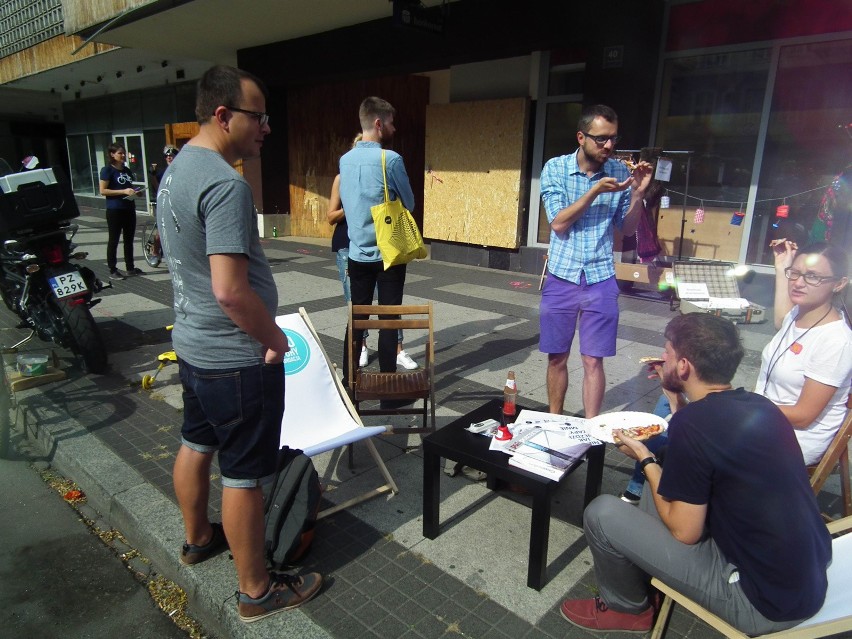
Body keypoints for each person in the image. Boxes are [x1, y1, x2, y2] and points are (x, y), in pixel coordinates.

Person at [156, 64, 322, 622]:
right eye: (259, 116)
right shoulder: (224, 183)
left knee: (196, 443)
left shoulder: (176, 169)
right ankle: (257, 591)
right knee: (245, 475)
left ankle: (199, 539)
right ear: (223, 115)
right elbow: (231, 291)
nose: (266, 128)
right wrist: (275, 339)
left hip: (195, 347)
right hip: (234, 357)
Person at [560, 313, 832, 635]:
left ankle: (627, 609)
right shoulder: (761, 407)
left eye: (669, 353)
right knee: (659, 481)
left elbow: (685, 532)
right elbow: (708, 437)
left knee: (601, 511)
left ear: (685, 366)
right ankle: (651, 578)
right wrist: (676, 400)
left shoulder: (694, 426)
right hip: (802, 574)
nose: (663, 358)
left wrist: (645, 458)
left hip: (761, 602)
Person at [539, 104, 653, 417]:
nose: (609, 146)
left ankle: (591, 429)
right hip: (562, 274)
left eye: (613, 139)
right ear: (581, 137)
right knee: (557, 357)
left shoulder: (618, 172)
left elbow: (627, 228)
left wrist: (638, 195)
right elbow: (559, 223)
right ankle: (555, 420)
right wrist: (593, 192)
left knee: (593, 360)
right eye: (601, 139)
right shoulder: (556, 169)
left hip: (601, 276)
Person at [338, 96, 417, 377]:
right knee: (389, 319)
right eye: (392, 123)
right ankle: (387, 387)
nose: (394, 129)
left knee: (357, 319)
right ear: (378, 123)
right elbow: (409, 202)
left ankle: (350, 384)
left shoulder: (344, 161)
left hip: (357, 252)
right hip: (388, 254)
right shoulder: (391, 159)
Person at [757, 240, 851, 464]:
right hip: (765, 421)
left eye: (812, 276)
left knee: (700, 439)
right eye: (795, 273)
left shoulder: (836, 341)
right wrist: (782, 267)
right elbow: (781, 319)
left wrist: (744, 406)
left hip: (794, 440)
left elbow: (803, 416)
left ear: (839, 284)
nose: (798, 283)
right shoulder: (797, 314)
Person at [99, 143, 145, 280]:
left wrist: (136, 192)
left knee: (129, 239)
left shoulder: (126, 170)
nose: (123, 155)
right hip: (115, 209)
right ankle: (112, 269)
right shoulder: (107, 170)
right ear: (112, 154)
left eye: (124, 153)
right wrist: (123, 191)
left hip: (129, 208)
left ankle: (130, 267)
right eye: (120, 153)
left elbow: (129, 187)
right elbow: (103, 190)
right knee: (114, 239)